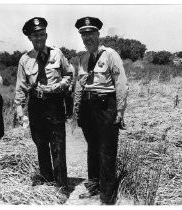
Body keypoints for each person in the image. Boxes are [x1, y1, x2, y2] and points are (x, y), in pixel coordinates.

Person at [73, 16, 129, 204]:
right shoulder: (83, 57)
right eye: (83, 34)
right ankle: (94, 186)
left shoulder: (110, 55)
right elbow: (79, 86)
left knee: (107, 150)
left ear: (98, 34)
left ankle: (107, 196)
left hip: (106, 105)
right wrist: (77, 109)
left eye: (90, 33)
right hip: (88, 107)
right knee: (92, 149)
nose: (87, 37)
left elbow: (121, 84)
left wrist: (120, 111)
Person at [14, 17, 73, 188]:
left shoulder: (57, 53)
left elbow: (69, 74)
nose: (39, 38)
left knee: (58, 144)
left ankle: (62, 186)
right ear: (30, 38)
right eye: (35, 35)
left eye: (42, 34)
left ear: (46, 35)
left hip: (54, 104)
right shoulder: (25, 59)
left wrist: (60, 85)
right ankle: (47, 182)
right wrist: (19, 110)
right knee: (40, 143)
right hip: (36, 105)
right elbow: (20, 87)